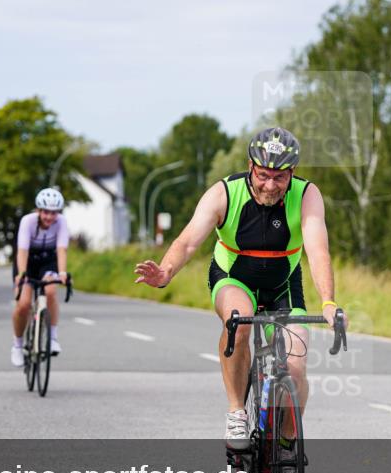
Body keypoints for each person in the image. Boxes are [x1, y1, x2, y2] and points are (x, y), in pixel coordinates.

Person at [134, 127, 346, 451]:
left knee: (296, 367)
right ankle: (236, 411)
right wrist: (165, 272)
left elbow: (318, 251)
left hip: (283, 284)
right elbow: (188, 242)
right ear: (250, 166)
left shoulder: (306, 195)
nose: (271, 186)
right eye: (263, 175)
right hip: (234, 278)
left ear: (292, 173)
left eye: (279, 177)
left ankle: (287, 442)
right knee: (239, 318)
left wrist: (329, 301)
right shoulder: (224, 194)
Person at [10, 187, 69, 366]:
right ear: (38, 210)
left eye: (53, 213)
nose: (49, 217)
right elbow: (22, 250)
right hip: (27, 262)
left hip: (48, 261)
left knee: (51, 291)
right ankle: (18, 346)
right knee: (24, 304)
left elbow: (61, 250)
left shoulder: (62, 223)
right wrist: (21, 274)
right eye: (45, 212)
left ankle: (52, 338)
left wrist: (62, 273)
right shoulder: (27, 222)